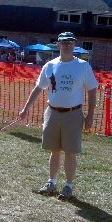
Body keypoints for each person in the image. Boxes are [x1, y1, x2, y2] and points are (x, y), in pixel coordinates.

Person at [18, 31, 98, 200]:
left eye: (71, 42)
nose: (68, 45)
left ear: (74, 45)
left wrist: (90, 116)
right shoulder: (50, 65)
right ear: (58, 45)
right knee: (54, 151)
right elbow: (39, 88)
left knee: (70, 152)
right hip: (53, 112)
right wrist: (25, 109)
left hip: (73, 114)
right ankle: (51, 183)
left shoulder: (83, 66)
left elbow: (92, 91)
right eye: (64, 42)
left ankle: (68, 186)